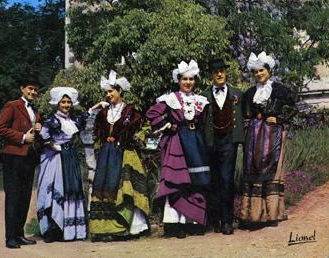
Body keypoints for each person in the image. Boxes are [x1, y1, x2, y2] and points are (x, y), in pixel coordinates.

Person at [146, 60, 210, 238]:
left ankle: (192, 221)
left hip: (196, 143)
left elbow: (204, 122)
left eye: (191, 79)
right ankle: (175, 224)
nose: (188, 82)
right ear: (178, 80)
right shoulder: (171, 98)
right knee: (178, 181)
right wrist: (168, 124)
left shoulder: (200, 100)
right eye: (184, 79)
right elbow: (152, 113)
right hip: (178, 142)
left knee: (195, 182)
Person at [89, 70, 150, 242]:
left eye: (111, 91)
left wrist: (135, 140)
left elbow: (145, 127)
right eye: (106, 92)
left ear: (120, 91)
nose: (108, 95)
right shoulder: (102, 113)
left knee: (123, 187)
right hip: (106, 156)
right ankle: (103, 229)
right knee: (104, 186)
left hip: (124, 154)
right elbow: (94, 133)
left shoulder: (131, 111)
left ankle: (123, 229)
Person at [239, 52, 296, 229]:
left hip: (274, 135)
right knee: (254, 170)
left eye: (261, 70)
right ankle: (254, 214)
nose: (258, 74)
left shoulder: (279, 89)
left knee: (274, 171)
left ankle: (273, 214)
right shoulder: (249, 93)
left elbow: (297, 105)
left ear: (268, 71)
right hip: (254, 138)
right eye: (255, 72)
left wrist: (279, 119)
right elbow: (244, 114)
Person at [37, 87, 89, 242]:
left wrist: (97, 106)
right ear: (57, 103)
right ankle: (53, 230)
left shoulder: (73, 120)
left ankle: (71, 230)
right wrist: (57, 147)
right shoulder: (52, 120)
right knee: (55, 189)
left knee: (71, 189)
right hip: (57, 159)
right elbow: (44, 137)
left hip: (70, 158)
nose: (66, 105)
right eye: (63, 102)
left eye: (68, 102)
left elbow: (87, 117)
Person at [0, 81, 42, 248]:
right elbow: (0, 128)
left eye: (36, 90)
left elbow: (34, 133)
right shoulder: (12, 105)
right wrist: (22, 137)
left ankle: (20, 234)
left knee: (25, 197)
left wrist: (38, 128)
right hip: (13, 157)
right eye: (30, 88)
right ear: (22, 89)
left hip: (29, 158)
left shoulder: (35, 110)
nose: (33, 92)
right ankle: (10, 238)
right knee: (13, 197)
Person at [201, 58, 244, 235]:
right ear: (210, 75)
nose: (219, 74)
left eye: (222, 71)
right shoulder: (203, 97)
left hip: (228, 141)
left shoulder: (237, 94)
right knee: (214, 180)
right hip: (211, 142)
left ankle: (227, 221)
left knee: (227, 179)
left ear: (226, 73)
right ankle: (215, 219)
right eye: (215, 71)